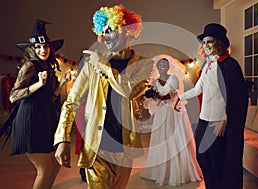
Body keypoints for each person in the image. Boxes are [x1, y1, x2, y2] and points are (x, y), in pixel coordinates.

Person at [54, 4, 153, 189]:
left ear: (126, 30)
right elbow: (71, 102)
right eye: (101, 31)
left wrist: (103, 66)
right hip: (97, 146)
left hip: (125, 148)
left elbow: (129, 91)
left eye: (110, 30)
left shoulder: (143, 64)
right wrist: (62, 138)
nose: (103, 37)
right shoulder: (92, 62)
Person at [174, 23, 248, 189]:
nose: (205, 45)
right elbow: (198, 89)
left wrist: (225, 119)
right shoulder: (207, 65)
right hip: (204, 119)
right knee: (202, 157)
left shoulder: (229, 65)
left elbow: (236, 97)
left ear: (219, 44)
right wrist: (179, 97)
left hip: (217, 121)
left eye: (209, 41)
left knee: (217, 163)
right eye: (204, 42)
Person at [8, 20, 71, 189]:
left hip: (43, 119)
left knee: (55, 164)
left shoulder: (47, 66)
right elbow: (13, 96)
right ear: (32, 49)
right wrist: (38, 85)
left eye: (46, 47)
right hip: (30, 122)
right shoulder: (30, 66)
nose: (43, 50)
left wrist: (61, 84)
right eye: (38, 47)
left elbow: (49, 99)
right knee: (45, 167)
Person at [139, 55, 202, 186]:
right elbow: (155, 99)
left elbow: (171, 95)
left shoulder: (174, 78)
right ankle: (160, 171)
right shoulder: (154, 82)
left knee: (175, 140)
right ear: (156, 67)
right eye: (159, 65)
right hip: (162, 112)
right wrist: (152, 96)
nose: (162, 67)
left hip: (173, 112)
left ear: (169, 67)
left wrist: (156, 96)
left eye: (164, 64)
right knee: (161, 140)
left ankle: (178, 171)